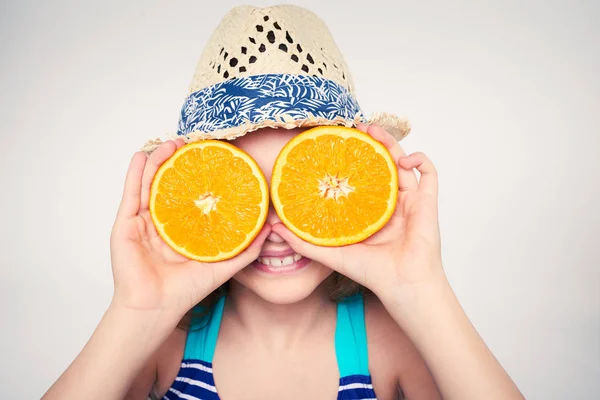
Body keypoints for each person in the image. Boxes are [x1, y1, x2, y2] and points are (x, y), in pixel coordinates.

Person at [43, 5, 524, 400]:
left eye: (303, 188)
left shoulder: (389, 347)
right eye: (245, 191)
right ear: (194, 196)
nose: (273, 224)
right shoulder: (160, 346)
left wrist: (421, 289)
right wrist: (135, 312)